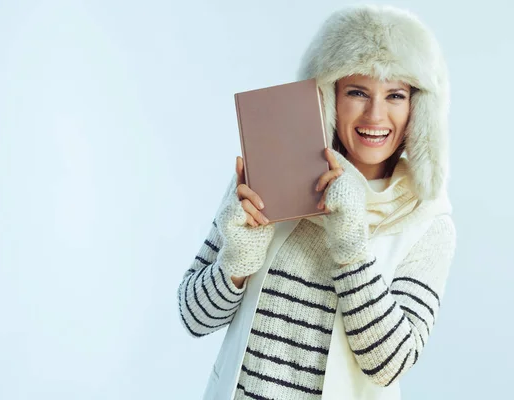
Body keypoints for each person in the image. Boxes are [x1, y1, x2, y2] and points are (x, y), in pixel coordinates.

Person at [177, 4, 456, 399]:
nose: (376, 115)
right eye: (357, 92)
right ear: (328, 96)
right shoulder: (267, 173)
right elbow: (193, 317)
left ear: (417, 108)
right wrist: (236, 262)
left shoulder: (427, 220)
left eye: (395, 95)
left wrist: (351, 249)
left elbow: (391, 363)